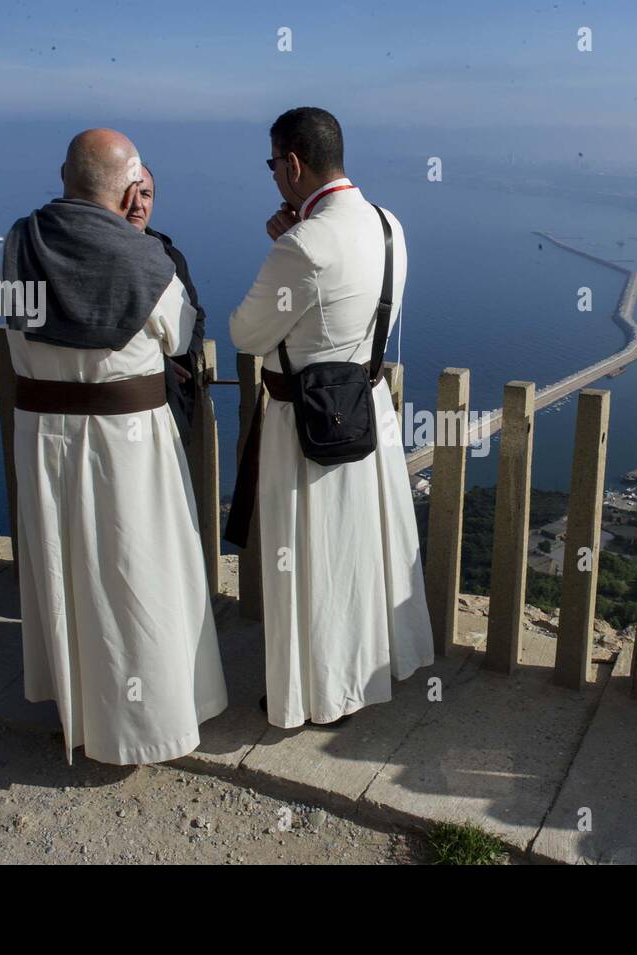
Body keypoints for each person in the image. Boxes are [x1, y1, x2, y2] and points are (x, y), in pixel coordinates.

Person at [0, 128, 227, 764]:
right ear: (132, 190)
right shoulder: (146, 260)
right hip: (126, 444)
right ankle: (147, 724)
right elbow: (180, 336)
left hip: (43, 435)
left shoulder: (18, 241)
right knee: (135, 578)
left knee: (63, 565)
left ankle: (74, 705)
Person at [226, 107, 434, 728]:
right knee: (360, 550)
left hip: (304, 423)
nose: (273, 176)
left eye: (273, 165)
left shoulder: (302, 246)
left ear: (292, 163)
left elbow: (245, 332)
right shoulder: (389, 225)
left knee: (310, 558)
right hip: (366, 408)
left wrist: (287, 242)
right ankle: (372, 667)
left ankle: (320, 691)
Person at [126, 164, 207, 445]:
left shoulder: (170, 256)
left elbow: (196, 316)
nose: (137, 205)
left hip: (173, 399)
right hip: (125, 403)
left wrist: (186, 362)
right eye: (129, 193)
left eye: (146, 194)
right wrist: (153, 361)